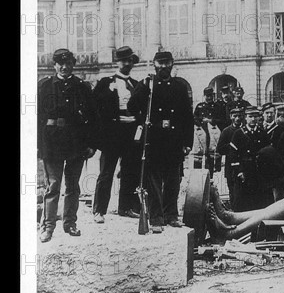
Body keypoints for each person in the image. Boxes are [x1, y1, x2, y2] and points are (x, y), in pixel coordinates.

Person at [127, 51, 194, 233]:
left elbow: (188, 117)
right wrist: (144, 121)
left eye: (167, 63)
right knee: (154, 181)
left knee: (173, 179)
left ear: (172, 64)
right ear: (155, 64)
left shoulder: (179, 87)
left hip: (174, 140)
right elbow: (131, 106)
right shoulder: (148, 84)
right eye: (160, 63)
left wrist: (188, 142)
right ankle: (156, 218)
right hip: (154, 140)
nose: (163, 67)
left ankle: (171, 215)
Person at [38, 49, 97, 242]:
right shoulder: (44, 86)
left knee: (73, 186)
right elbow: (36, 118)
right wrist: (38, 146)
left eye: (68, 63)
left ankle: (70, 223)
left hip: (75, 142)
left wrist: (90, 144)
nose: (64, 67)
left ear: (73, 64)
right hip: (52, 143)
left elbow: (92, 117)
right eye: (60, 63)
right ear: (55, 65)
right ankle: (48, 227)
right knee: (53, 185)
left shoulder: (82, 87)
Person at [91, 46, 141, 224]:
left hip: (131, 133)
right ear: (117, 62)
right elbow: (95, 110)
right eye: (123, 60)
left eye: (130, 60)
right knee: (106, 172)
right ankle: (99, 210)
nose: (127, 63)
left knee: (130, 171)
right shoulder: (106, 83)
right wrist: (98, 136)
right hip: (112, 134)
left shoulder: (136, 85)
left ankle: (125, 207)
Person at [229, 106, 271, 211]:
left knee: (259, 201)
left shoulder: (262, 133)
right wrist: (239, 171)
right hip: (244, 172)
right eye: (250, 116)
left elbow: (267, 153)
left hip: (258, 173)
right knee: (242, 201)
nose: (253, 119)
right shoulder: (238, 134)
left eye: (255, 116)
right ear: (246, 118)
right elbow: (233, 155)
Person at [216, 106, 245, 208]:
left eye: (239, 116)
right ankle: (234, 211)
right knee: (232, 190)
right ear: (231, 117)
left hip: (244, 164)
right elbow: (220, 149)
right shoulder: (226, 131)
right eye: (235, 116)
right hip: (230, 166)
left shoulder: (245, 130)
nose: (237, 118)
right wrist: (233, 146)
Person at [192, 105, 222, 178]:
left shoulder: (216, 106)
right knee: (198, 154)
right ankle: (198, 176)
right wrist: (200, 121)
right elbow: (194, 117)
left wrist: (211, 121)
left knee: (211, 155)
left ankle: (210, 176)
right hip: (202, 129)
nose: (209, 98)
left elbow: (221, 119)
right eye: (207, 96)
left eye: (210, 96)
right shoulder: (200, 105)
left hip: (212, 130)